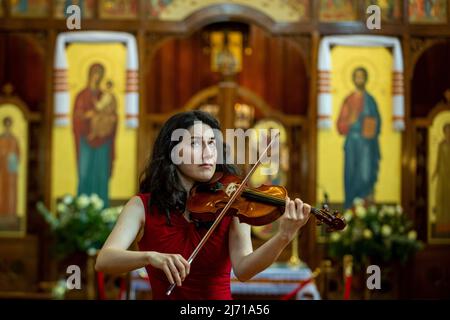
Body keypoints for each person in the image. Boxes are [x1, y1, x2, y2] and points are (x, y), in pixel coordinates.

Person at [95, 110, 311, 300]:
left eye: (211, 143)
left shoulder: (233, 200)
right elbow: (105, 260)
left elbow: (244, 270)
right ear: (172, 151)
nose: (208, 153)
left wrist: (283, 236)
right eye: (195, 143)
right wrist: (151, 257)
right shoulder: (142, 206)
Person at [337, 67, 381, 209]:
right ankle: (351, 207)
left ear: (366, 79)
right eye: (357, 76)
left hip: (367, 145)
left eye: (362, 76)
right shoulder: (349, 100)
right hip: (352, 144)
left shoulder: (371, 101)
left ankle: (365, 206)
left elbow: (377, 123)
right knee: (351, 173)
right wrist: (350, 121)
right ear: (353, 79)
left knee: (366, 174)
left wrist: (370, 128)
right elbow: (340, 125)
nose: (359, 79)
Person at [432, 123, 450, 234]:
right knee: (442, 198)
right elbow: (438, 160)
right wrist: (434, 173)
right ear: (444, 132)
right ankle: (442, 224)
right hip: (443, 175)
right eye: (447, 131)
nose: (448, 133)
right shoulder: (441, 145)